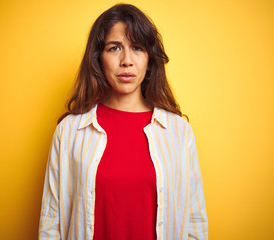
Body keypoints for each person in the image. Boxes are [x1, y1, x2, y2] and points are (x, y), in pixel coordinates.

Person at [39, 3, 208, 240]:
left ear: (150, 59)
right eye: (115, 48)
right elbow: (51, 221)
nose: (127, 60)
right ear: (98, 57)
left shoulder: (179, 132)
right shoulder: (69, 131)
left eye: (137, 48)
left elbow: (194, 221)